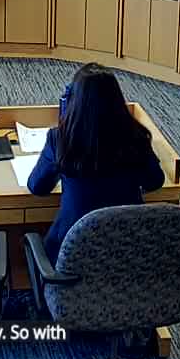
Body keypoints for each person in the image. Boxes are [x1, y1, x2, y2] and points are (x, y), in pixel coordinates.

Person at [27, 63, 165, 261]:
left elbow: (37, 187)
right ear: (117, 100)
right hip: (127, 254)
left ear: (74, 101)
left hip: (71, 258)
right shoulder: (136, 137)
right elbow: (155, 181)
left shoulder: (60, 139)